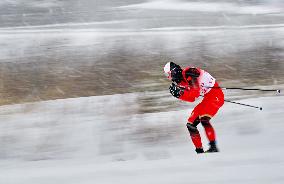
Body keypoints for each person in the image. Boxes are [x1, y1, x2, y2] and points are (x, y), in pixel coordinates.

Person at [163, 61, 224, 154]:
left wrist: (181, 92)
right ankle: (199, 152)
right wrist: (179, 95)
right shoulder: (182, 82)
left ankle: (213, 147)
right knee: (190, 125)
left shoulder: (188, 72)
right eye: (167, 76)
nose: (169, 78)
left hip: (216, 96)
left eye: (169, 75)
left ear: (174, 71)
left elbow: (195, 93)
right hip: (208, 99)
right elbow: (192, 98)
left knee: (204, 119)